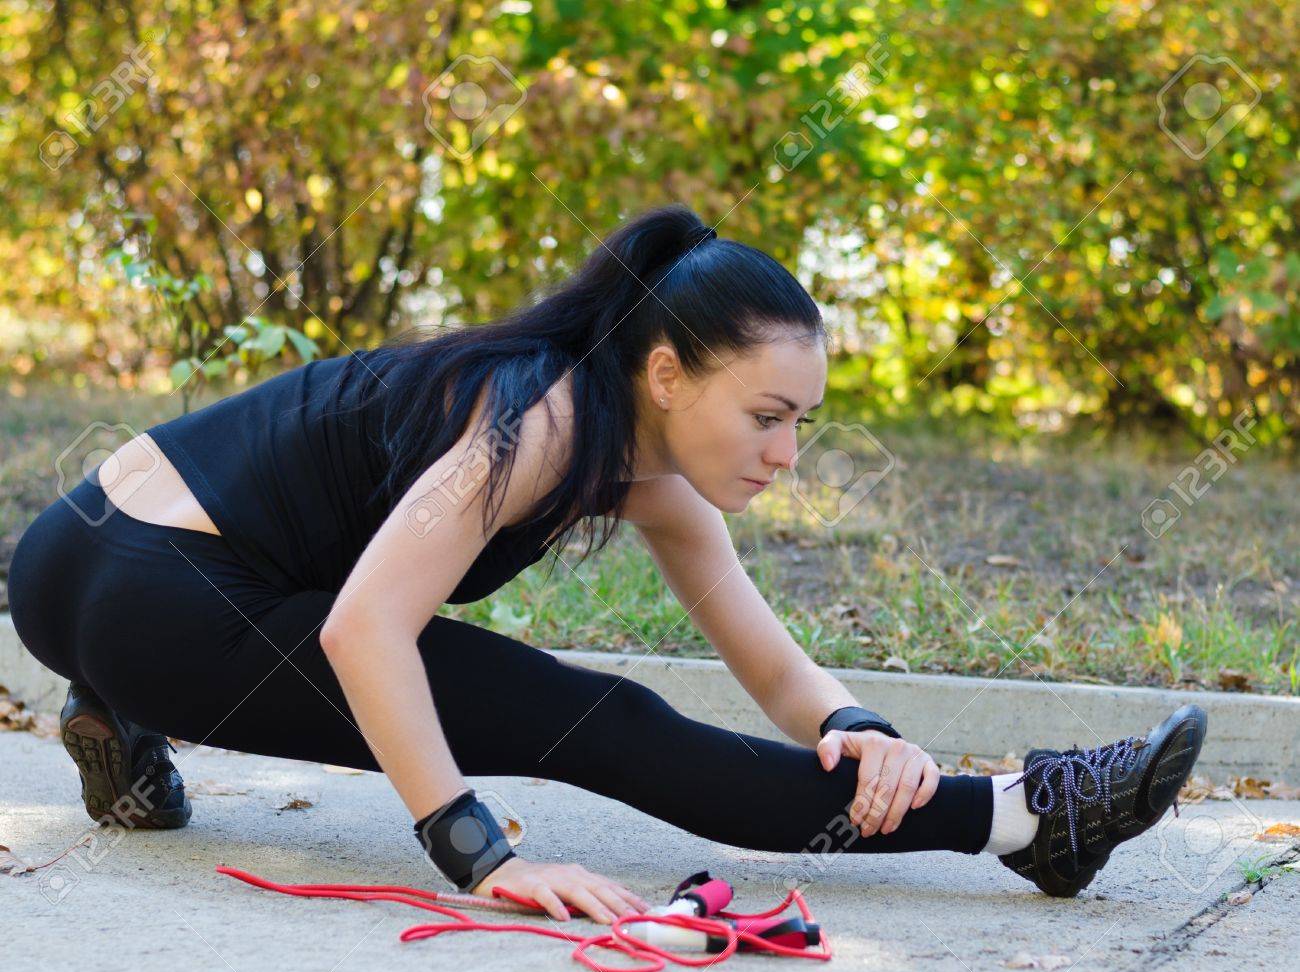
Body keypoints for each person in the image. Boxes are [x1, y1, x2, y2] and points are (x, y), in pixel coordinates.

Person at [8, 203, 1206, 919]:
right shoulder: (538, 422)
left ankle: (116, 720)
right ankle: (1027, 817)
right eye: (767, 416)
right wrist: (475, 854)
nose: (787, 453)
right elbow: (362, 628)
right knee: (598, 720)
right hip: (162, 601)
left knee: (325, 581)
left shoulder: (631, 451)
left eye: (801, 421)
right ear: (667, 373)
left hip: (62, 563)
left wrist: (863, 729)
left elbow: (771, 665)